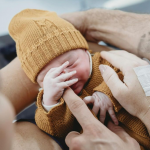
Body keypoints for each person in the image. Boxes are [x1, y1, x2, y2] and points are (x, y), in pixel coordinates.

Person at [0, 8, 150, 150]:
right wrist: (50, 103)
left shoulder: (104, 61)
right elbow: (56, 129)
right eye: (50, 76)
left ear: (87, 51)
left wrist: (106, 94)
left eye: (71, 64)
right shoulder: (57, 95)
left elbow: (130, 76)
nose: (66, 75)